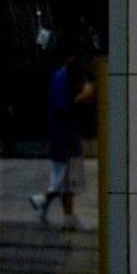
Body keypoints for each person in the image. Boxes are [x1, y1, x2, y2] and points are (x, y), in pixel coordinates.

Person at [29, 42, 94, 231]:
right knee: (65, 179)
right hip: (64, 136)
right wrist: (82, 96)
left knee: (65, 180)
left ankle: (62, 214)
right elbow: (64, 107)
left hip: (64, 135)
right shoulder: (63, 78)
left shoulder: (64, 76)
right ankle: (43, 202)